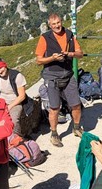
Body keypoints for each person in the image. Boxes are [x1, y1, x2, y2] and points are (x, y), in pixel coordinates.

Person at [35, 13, 85, 147]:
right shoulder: (45, 38)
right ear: (49, 26)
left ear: (61, 22)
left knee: (76, 104)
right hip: (52, 76)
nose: (57, 26)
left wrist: (70, 54)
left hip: (68, 75)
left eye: (58, 23)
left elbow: (80, 53)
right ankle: (54, 134)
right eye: (53, 24)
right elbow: (39, 60)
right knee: (55, 107)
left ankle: (76, 127)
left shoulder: (69, 35)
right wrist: (53, 58)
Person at [0, 57, 31, 137]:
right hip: (1, 103)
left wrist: (9, 106)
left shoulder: (16, 76)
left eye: (1, 68)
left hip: (15, 102)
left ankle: (18, 139)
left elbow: (22, 96)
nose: (0, 71)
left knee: (13, 121)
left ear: (5, 65)